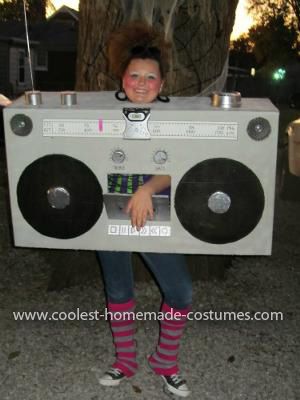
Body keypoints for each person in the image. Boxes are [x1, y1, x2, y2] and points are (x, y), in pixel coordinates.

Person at [97, 21, 192, 398]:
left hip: (156, 211)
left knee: (180, 291)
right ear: (122, 79)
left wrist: (147, 188)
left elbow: (183, 162)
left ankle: (165, 362)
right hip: (107, 213)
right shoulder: (99, 115)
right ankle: (125, 360)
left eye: (150, 77)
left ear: (162, 84)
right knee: (118, 288)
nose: (140, 83)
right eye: (133, 75)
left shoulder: (176, 119)